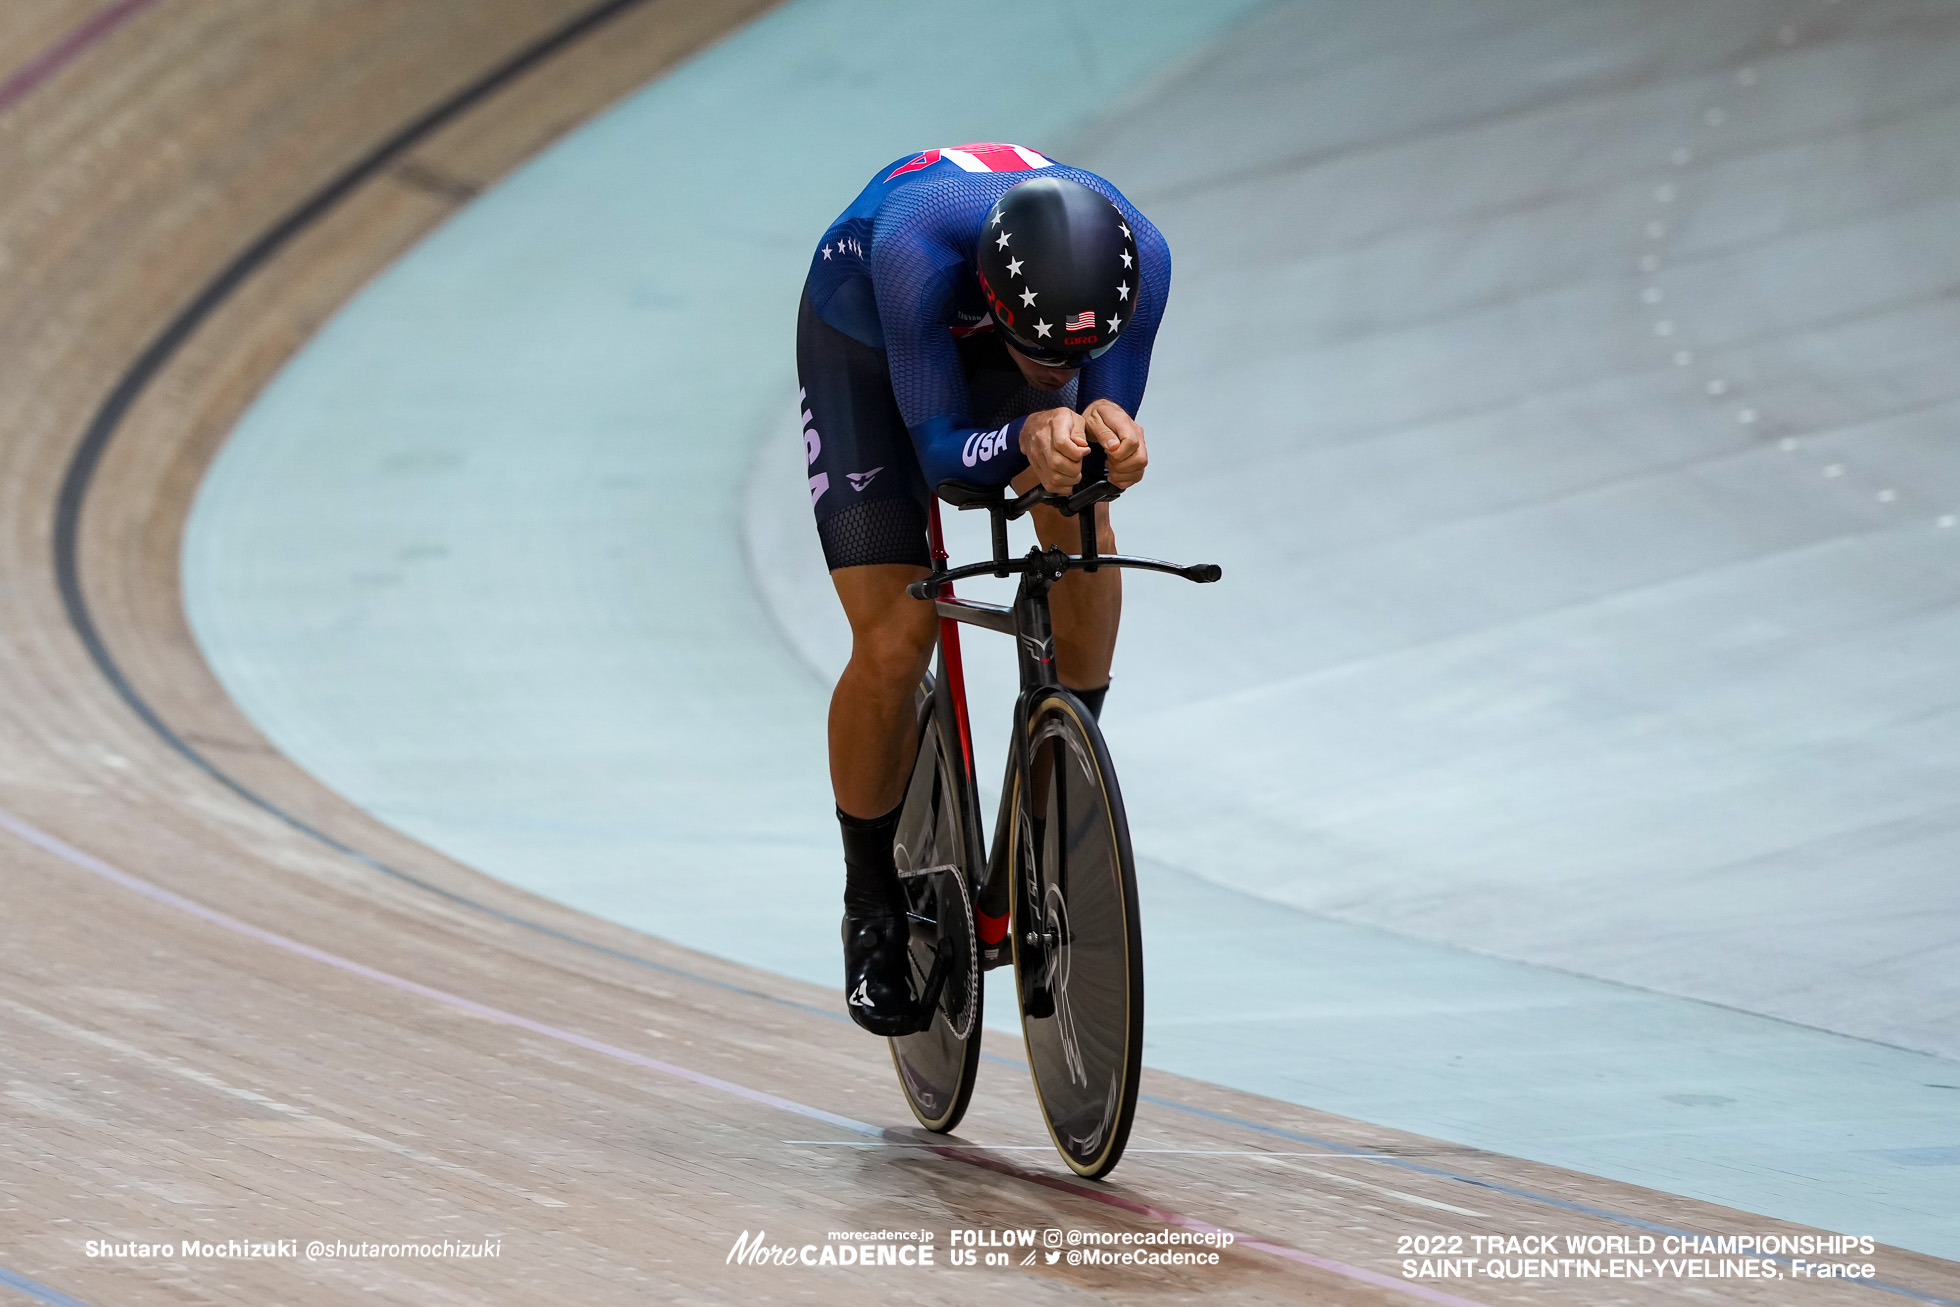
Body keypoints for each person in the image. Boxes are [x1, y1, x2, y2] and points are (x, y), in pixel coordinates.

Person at [795, 142, 1170, 1034]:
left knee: (1081, 513)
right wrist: (1025, 431)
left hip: (1005, 323)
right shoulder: (911, 252)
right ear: (999, 301)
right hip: (866, 339)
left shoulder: (1140, 258)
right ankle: (871, 898)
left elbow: (1092, 436)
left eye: (1075, 355)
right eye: (1042, 353)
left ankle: (1061, 771)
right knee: (895, 635)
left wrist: (1109, 445)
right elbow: (947, 469)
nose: (1059, 368)